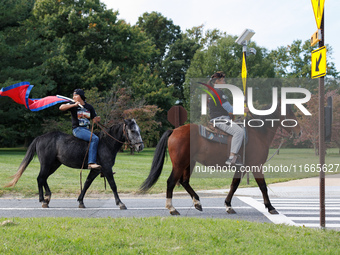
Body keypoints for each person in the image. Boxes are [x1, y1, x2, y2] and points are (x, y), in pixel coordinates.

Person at [208, 71, 247, 166]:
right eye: (223, 81)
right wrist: (243, 110)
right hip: (220, 119)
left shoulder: (213, 91)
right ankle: (231, 157)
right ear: (217, 81)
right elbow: (229, 109)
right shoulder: (218, 92)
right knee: (239, 131)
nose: (225, 83)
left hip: (220, 118)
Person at [59, 89, 102, 170]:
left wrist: (97, 119)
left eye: (75, 95)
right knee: (95, 138)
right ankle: (91, 163)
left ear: (80, 96)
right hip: (78, 129)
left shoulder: (89, 107)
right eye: (73, 95)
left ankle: (101, 167)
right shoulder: (72, 104)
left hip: (87, 130)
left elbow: (94, 120)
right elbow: (61, 107)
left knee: (99, 140)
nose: (73, 97)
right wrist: (74, 105)